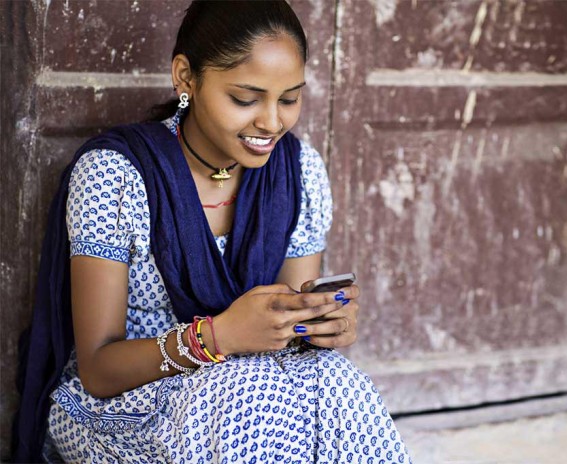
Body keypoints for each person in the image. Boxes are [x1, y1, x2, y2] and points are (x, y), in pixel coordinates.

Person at [12, 1, 412, 462]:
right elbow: (100, 370)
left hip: (253, 390)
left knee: (340, 384)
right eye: (245, 99)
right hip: (126, 406)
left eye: (289, 99)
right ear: (185, 77)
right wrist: (217, 336)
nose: (272, 122)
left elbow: (292, 327)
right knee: (246, 399)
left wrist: (315, 323)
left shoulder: (297, 172)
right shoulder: (116, 175)